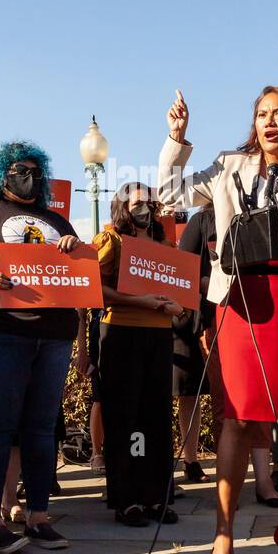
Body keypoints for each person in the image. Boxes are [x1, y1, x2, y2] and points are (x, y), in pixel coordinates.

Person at [157, 86, 278, 554]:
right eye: (261, 114)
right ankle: (223, 537)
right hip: (240, 302)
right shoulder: (228, 167)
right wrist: (176, 140)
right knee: (239, 417)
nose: (268, 122)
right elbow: (171, 197)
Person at [0, 142, 86, 554]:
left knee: (41, 427)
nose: (26, 175)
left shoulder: (57, 220)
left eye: (33, 170)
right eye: (17, 170)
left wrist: (74, 250)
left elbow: (83, 272)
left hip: (53, 333)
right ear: (1, 174)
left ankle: (39, 517)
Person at [94, 183, 182, 526]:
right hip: (121, 333)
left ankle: (156, 497)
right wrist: (138, 301)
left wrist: (180, 307)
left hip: (159, 335)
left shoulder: (164, 244)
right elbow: (96, 287)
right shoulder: (112, 239)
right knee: (123, 417)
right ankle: (125, 498)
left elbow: (180, 290)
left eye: (149, 203)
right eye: (137, 203)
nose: (144, 208)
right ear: (122, 206)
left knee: (156, 418)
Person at [173, 206, 226, 480]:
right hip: (196, 320)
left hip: (232, 317)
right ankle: (191, 461)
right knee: (190, 393)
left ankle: (228, 461)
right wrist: (207, 282)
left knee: (227, 395)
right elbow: (183, 268)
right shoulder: (201, 221)